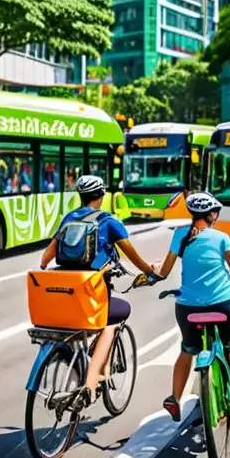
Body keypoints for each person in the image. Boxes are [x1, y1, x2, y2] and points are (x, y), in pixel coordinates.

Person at [39, 175, 160, 409]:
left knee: (81, 326)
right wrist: (151, 272)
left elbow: (45, 259)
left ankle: (81, 366)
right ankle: (91, 383)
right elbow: (132, 256)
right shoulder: (109, 221)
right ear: (102, 196)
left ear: (81, 196)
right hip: (93, 293)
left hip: (65, 294)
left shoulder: (68, 219)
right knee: (114, 318)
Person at [150, 192, 230, 421]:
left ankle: (174, 398)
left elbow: (163, 272)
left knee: (187, 349)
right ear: (212, 214)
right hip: (223, 304)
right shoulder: (222, 237)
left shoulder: (179, 235)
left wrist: (152, 273)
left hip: (188, 308)